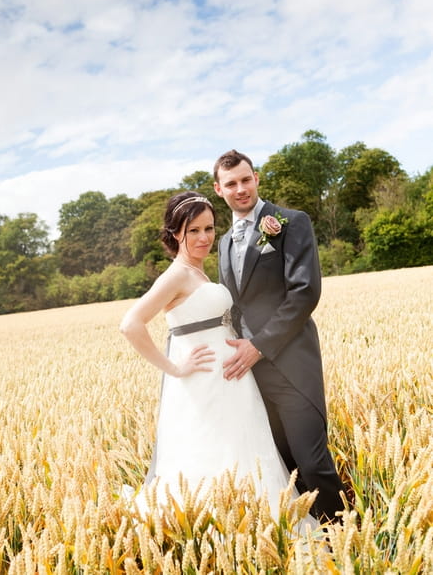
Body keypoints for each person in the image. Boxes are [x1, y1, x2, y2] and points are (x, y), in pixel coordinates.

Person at [119, 190, 318, 528]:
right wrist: (175, 368)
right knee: (212, 455)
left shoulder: (198, 272)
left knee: (244, 453)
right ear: (174, 233)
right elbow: (130, 324)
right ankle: (220, 530)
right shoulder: (177, 275)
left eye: (209, 228)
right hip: (205, 383)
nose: (204, 238)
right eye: (193, 230)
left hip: (233, 382)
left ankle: (261, 525)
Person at [213, 149, 345, 523]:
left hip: (291, 364)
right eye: (231, 184)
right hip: (250, 374)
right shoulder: (223, 242)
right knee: (281, 464)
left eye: (246, 179)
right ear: (219, 189)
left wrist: (259, 345)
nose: (241, 189)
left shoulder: (289, 221)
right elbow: (234, 305)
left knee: (313, 461)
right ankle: (309, 540)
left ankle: (344, 542)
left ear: (256, 178)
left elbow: (304, 293)